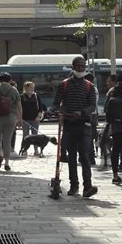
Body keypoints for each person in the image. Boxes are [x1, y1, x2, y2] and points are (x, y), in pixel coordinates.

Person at [52, 56, 98, 198]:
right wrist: (58, 112)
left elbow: (92, 105)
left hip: (84, 125)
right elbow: (55, 103)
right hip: (69, 125)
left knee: (84, 156)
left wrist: (82, 112)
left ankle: (88, 187)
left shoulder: (89, 86)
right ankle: (74, 186)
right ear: (73, 67)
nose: (80, 68)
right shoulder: (64, 85)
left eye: (83, 66)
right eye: (78, 66)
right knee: (71, 156)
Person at [0, 72, 23, 171]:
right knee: (7, 140)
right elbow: (19, 106)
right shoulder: (14, 90)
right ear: (10, 80)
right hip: (11, 117)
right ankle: (6, 162)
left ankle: (0, 153)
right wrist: (19, 119)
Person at [21, 81, 43, 156]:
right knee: (25, 135)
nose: (32, 89)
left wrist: (38, 117)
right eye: (30, 87)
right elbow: (19, 108)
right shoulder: (22, 96)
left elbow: (40, 108)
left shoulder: (36, 96)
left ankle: (36, 150)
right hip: (25, 119)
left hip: (35, 119)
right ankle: (24, 150)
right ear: (26, 88)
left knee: (35, 135)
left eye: (33, 87)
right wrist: (20, 118)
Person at [84, 73, 98, 165]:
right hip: (94, 115)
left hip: (89, 116)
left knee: (87, 138)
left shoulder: (90, 88)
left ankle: (90, 158)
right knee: (90, 137)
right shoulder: (94, 89)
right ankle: (90, 157)